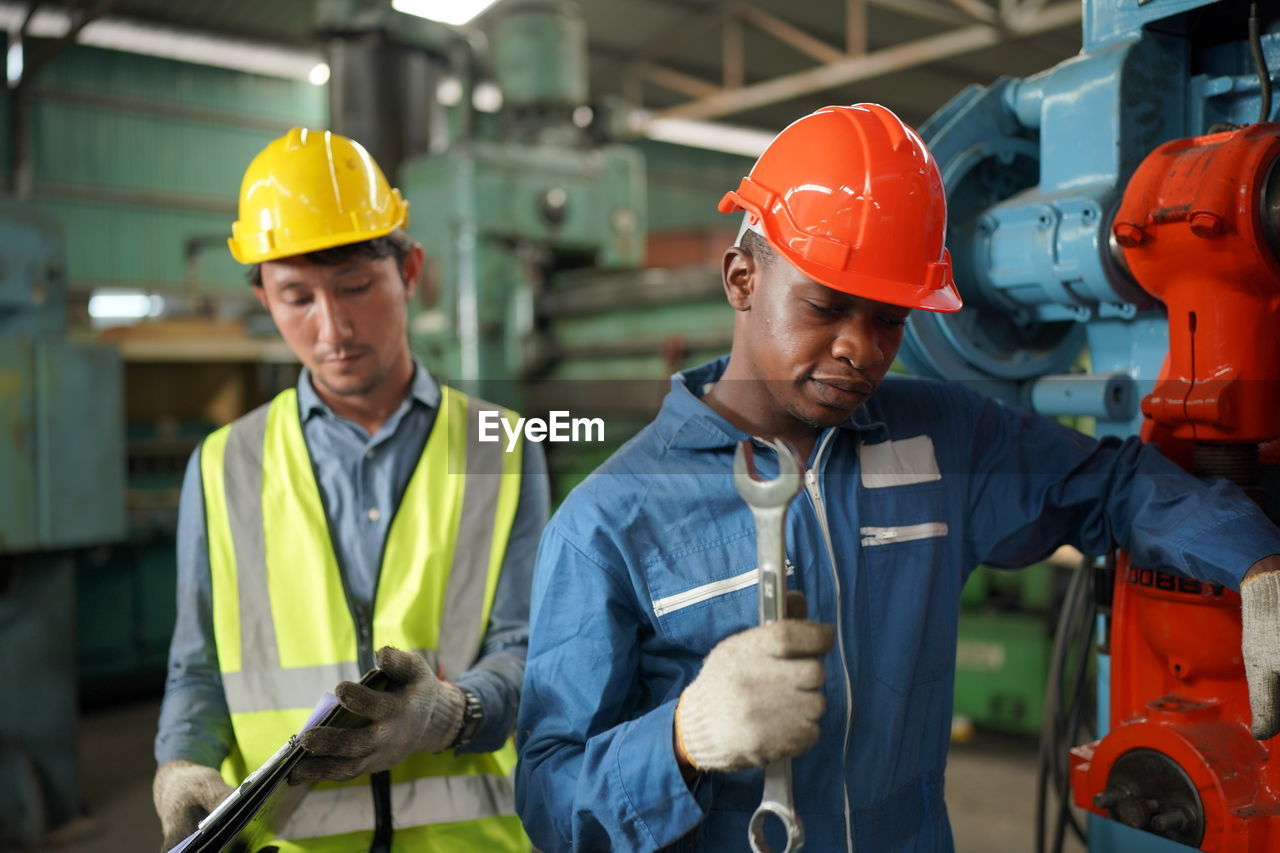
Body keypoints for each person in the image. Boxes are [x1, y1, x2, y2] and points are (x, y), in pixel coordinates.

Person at [513, 103, 1280, 852]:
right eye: (826, 306)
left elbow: (1112, 484)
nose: (861, 349)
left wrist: (1255, 557)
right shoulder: (607, 522)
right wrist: (681, 737)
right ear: (742, 279)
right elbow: (551, 803)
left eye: (889, 319)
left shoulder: (944, 436)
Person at [152, 128, 547, 853]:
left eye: (357, 288)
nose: (332, 328)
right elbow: (199, 664)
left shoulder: (502, 443)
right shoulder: (223, 464)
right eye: (297, 297)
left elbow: (528, 647)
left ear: (411, 272)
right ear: (263, 296)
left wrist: (450, 712)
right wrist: (181, 764)